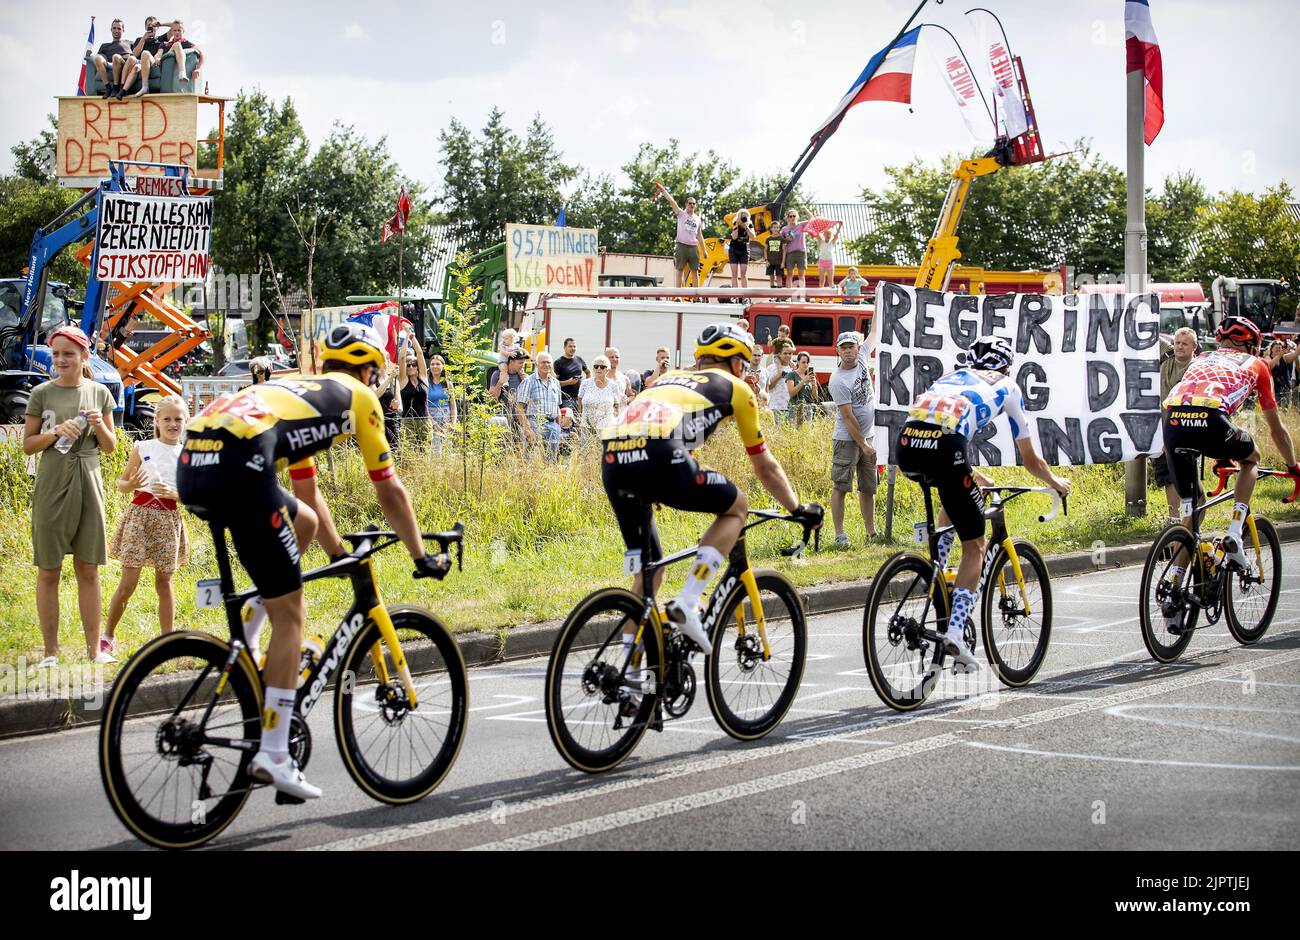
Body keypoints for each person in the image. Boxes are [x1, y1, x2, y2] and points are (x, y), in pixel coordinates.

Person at [178, 322, 444, 799]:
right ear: (369, 370)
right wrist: (420, 554)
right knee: (292, 613)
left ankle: (251, 635)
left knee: (298, 520)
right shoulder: (359, 398)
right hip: (241, 467)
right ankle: (274, 754)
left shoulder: (296, 389)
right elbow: (389, 490)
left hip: (194, 463)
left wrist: (339, 552)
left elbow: (307, 497)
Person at [600, 323, 821, 656]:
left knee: (650, 571)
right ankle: (689, 602)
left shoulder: (667, 377)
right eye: (743, 364)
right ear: (735, 362)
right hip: (660, 455)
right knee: (736, 507)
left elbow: (666, 428)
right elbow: (764, 466)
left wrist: (654, 480)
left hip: (614, 460)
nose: (744, 370)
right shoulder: (737, 388)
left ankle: (629, 677)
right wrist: (796, 507)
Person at [897, 335, 1071, 670]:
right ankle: (956, 634)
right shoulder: (1008, 386)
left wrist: (974, 475)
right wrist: (1055, 482)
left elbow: (934, 431)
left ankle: (937, 573)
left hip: (906, 448)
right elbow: (1030, 460)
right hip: (947, 451)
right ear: (1006, 365)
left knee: (954, 494)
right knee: (975, 543)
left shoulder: (948, 378)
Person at [1162, 316, 1299, 574]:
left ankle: (1174, 585)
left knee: (1193, 506)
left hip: (1172, 423)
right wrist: (1292, 465)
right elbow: (1277, 430)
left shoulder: (1201, 358)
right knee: (1251, 459)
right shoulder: (1258, 364)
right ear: (1252, 346)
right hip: (1211, 421)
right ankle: (1235, 533)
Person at [22, 326, 118, 667]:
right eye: (56, 354)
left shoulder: (100, 392)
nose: (61, 360)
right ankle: (51, 652)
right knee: (49, 569)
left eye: (68, 354)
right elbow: (27, 445)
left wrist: (101, 426)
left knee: (88, 568)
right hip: (52, 481)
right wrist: (54, 432)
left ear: (84, 356)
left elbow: (110, 447)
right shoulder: (42, 393)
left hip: (88, 480)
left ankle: (95, 651)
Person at [104, 395, 190, 653]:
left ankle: (168, 640)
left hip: (168, 520)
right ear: (157, 421)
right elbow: (121, 484)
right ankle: (107, 636)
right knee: (128, 583)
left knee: (164, 582)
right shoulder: (143, 447)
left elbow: (194, 494)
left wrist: (174, 495)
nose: (173, 423)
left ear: (186, 422)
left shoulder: (187, 454)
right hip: (139, 517)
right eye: (167, 419)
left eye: (178, 419)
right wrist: (129, 485)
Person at [828, 332, 878, 546]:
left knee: (868, 486)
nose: (848, 351)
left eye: (851, 346)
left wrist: (879, 298)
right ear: (838, 351)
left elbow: (874, 330)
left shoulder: (864, 357)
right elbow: (848, 418)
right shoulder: (837, 380)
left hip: (868, 437)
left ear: (859, 348)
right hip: (847, 440)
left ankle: (871, 532)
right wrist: (865, 446)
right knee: (841, 486)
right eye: (843, 347)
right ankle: (840, 535)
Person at [1151, 327, 1197, 520]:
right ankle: (1174, 518)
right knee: (1166, 476)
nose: (1179, 347)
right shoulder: (1166, 354)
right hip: (1160, 429)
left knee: (1183, 475)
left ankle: (1188, 519)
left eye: (1185, 344)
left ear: (1194, 347)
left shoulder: (1197, 369)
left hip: (1183, 431)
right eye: (1177, 342)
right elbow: (1149, 331)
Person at [652, 181, 708, 289]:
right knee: (679, 271)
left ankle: (697, 296)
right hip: (682, 246)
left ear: (695, 205)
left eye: (694, 203)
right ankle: (678, 295)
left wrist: (704, 250)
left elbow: (700, 235)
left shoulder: (697, 219)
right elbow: (672, 201)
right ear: (686, 204)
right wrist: (663, 190)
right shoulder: (681, 214)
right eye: (690, 203)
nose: (692, 205)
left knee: (695, 272)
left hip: (693, 247)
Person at [515, 351, 564, 459]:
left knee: (551, 461)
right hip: (534, 424)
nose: (546, 365)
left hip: (552, 426)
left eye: (548, 362)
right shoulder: (529, 381)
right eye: (543, 362)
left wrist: (558, 427)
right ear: (536, 364)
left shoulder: (555, 383)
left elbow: (557, 406)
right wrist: (527, 429)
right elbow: (519, 408)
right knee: (531, 461)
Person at [488, 348, 528, 441]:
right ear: (511, 362)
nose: (523, 366)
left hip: (519, 419)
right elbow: (491, 399)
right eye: (520, 363)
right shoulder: (497, 374)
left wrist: (525, 380)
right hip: (503, 419)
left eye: (524, 363)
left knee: (518, 448)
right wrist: (500, 383)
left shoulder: (523, 377)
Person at [578, 354, 623, 434]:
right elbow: (580, 402)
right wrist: (580, 419)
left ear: (607, 369)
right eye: (596, 366)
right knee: (586, 446)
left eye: (602, 367)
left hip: (606, 427)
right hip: (586, 425)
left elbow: (617, 406)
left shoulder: (613, 386)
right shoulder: (585, 383)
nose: (599, 368)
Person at [91, 19, 135, 100]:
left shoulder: (129, 43)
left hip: (124, 63)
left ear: (123, 30)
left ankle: (116, 87)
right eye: (114, 28)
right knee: (97, 58)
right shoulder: (105, 45)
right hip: (111, 64)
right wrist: (89, 55)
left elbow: (136, 54)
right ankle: (108, 87)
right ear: (111, 30)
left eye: (119, 29)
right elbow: (98, 61)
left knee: (116, 57)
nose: (116, 30)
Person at [129, 16, 168, 98]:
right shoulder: (139, 39)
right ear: (146, 27)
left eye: (153, 25)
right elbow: (135, 55)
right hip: (140, 64)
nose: (151, 27)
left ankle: (145, 87)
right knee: (137, 58)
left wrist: (161, 24)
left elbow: (177, 26)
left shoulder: (161, 39)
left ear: (157, 27)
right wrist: (143, 39)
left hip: (153, 63)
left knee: (145, 53)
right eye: (149, 25)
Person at [160, 20, 204, 91]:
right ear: (171, 32)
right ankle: (182, 72)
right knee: (177, 44)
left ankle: (182, 74)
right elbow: (158, 55)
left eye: (179, 30)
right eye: (175, 30)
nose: (177, 32)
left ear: (183, 31)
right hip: (165, 61)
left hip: (174, 65)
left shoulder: (186, 43)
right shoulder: (165, 44)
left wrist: (198, 68)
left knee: (177, 44)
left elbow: (202, 54)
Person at [426, 353, 457, 450]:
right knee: (435, 450)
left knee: (447, 448)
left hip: (446, 420)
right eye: (432, 364)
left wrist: (452, 424)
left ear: (443, 366)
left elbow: (453, 406)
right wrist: (434, 424)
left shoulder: (448, 384)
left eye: (438, 364)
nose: (435, 366)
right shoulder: (426, 383)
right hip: (432, 419)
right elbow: (424, 406)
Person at [781, 209, 812, 291]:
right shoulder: (784, 229)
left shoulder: (801, 225)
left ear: (797, 217)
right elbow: (780, 241)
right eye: (790, 216)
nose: (792, 218)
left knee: (801, 275)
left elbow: (812, 219)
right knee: (789, 274)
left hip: (801, 252)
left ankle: (802, 295)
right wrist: (786, 239)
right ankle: (788, 296)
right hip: (790, 253)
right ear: (787, 218)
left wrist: (806, 210)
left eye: (794, 216)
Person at [554, 337, 588, 408]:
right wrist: (568, 382)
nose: (573, 348)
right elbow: (554, 383)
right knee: (568, 419)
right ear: (564, 347)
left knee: (579, 418)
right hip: (566, 400)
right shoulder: (558, 362)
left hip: (579, 399)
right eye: (570, 346)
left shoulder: (579, 359)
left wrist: (586, 385)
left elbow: (588, 373)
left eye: (574, 346)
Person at [727, 209, 757, 289]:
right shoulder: (735, 223)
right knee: (734, 274)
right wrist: (737, 225)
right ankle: (735, 295)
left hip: (744, 250)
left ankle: (744, 296)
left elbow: (753, 237)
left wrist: (746, 226)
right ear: (738, 217)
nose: (744, 218)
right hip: (734, 250)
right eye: (742, 216)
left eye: (746, 216)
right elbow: (734, 237)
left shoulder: (750, 225)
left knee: (743, 274)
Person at [763, 344, 795, 421]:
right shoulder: (771, 368)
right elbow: (767, 387)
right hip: (774, 407)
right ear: (779, 354)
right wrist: (778, 375)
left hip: (790, 408)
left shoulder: (793, 369)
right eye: (785, 353)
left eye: (790, 353)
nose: (787, 356)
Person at [786, 351, 819, 424]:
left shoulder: (810, 376)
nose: (806, 364)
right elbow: (791, 393)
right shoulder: (792, 375)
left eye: (807, 362)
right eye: (803, 362)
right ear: (798, 362)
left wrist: (814, 384)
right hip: (795, 409)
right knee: (794, 433)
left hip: (808, 409)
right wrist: (803, 381)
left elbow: (814, 397)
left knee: (806, 432)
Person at [816, 222, 842, 291]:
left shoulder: (832, 242)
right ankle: (821, 297)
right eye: (826, 233)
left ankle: (831, 299)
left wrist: (840, 226)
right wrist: (816, 222)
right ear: (824, 234)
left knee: (830, 281)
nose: (828, 235)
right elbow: (817, 233)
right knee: (821, 281)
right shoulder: (821, 241)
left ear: (831, 235)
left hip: (830, 262)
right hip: (822, 262)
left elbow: (837, 234)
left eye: (829, 234)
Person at [765, 220, 785, 289]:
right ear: (771, 229)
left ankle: (779, 294)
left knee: (779, 276)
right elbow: (765, 250)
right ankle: (772, 292)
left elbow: (784, 251)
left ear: (779, 228)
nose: (776, 229)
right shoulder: (768, 239)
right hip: (770, 261)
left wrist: (783, 262)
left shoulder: (781, 238)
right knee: (771, 276)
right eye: (774, 227)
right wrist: (766, 260)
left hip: (779, 261)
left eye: (777, 227)